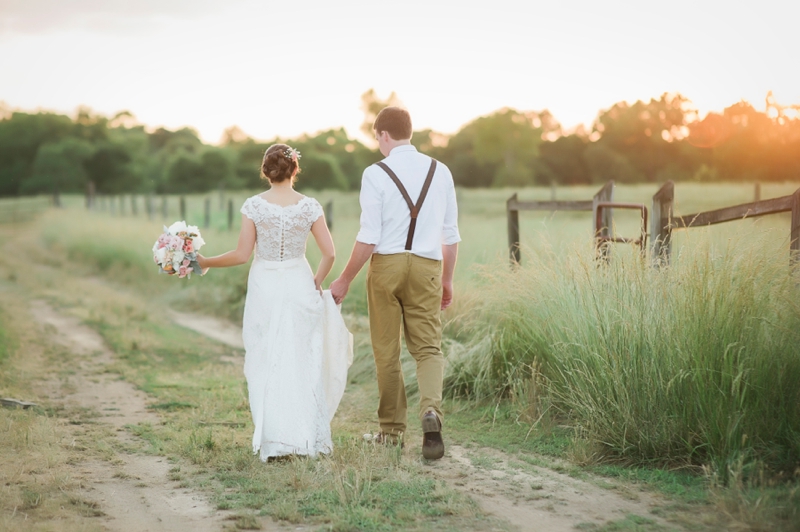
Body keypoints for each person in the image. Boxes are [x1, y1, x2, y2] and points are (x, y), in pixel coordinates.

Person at [197, 144, 353, 461]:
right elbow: (330, 253)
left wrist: (206, 261)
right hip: (298, 281)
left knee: (266, 358)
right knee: (300, 359)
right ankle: (301, 437)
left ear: (266, 171)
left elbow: (242, 255)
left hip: (265, 284)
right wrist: (316, 282)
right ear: (294, 169)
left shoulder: (254, 206)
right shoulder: (309, 206)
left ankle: (274, 439)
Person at [330, 106, 460, 460]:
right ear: (409, 132)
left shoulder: (375, 173)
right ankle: (430, 412)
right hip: (428, 266)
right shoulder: (441, 171)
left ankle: (390, 433)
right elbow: (451, 235)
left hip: (386, 266)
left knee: (387, 352)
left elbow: (369, 236)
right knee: (428, 348)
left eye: (377, 138)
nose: (378, 145)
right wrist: (446, 280)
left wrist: (343, 280)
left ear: (383, 134)